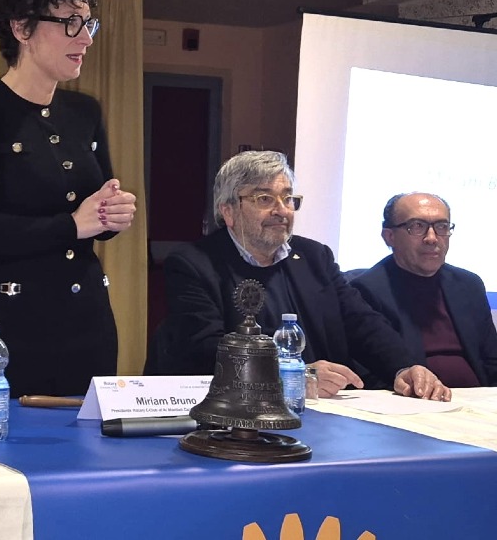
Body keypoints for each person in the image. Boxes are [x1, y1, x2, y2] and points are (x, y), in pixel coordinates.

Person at [0, 0, 137, 397]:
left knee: (88, 452)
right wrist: (73, 224)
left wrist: (112, 214)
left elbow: (95, 217)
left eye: (89, 24)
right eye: (70, 23)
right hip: (5, 322)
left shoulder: (86, 112)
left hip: (86, 317)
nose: (85, 38)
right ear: (21, 28)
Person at [143, 150, 450, 400]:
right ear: (229, 211)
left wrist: (404, 367)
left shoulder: (314, 257)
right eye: (264, 199)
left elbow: (361, 322)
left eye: (287, 198)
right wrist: (289, 376)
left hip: (326, 413)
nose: (282, 210)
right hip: (237, 414)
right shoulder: (193, 263)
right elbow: (206, 349)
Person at [351, 193, 497, 387]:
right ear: (389, 236)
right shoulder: (365, 290)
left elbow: (491, 359)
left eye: (442, 227)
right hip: (415, 402)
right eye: (417, 226)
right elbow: (373, 368)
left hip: (478, 402)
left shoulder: (468, 284)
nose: (432, 238)